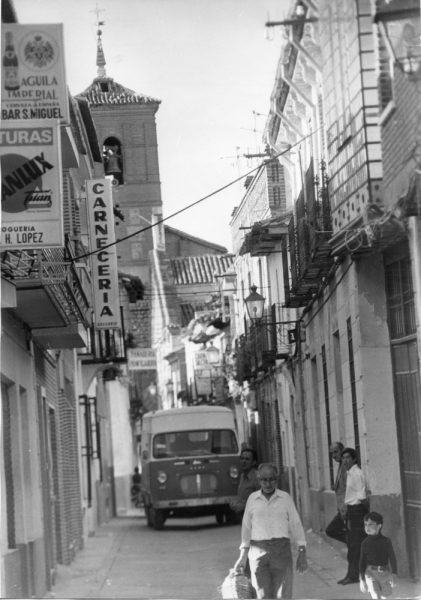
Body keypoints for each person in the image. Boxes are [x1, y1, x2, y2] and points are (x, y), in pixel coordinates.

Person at [233, 463, 307, 599]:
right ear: (259, 480)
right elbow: (246, 527)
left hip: (281, 551)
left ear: (276, 479)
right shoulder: (252, 499)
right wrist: (242, 557)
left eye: (271, 479)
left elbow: (296, 524)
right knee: (262, 595)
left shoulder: (285, 498)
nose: (268, 483)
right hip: (257, 553)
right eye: (264, 480)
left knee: (283, 595)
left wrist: (302, 551)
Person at [338, 447, 369, 585]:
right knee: (352, 545)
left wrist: (364, 513)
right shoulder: (350, 473)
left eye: (348, 458)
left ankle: (353, 575)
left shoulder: (356, 473)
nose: (345, 460)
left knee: (354, 547)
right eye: (343, 458)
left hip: (357, 511)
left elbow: (362, 497)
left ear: (354, 459)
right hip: (351, 510)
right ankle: (352, 574)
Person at [359, 512, 397, 599]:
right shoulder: (365, 543)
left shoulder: (386, 541)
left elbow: (392, 558)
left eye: (371, 524)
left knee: (385, 595)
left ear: (379, 526)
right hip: (370, 573)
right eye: (365, 524)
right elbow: (362, 562)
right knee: (376, 596)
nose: (367, 527)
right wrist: (362, 579)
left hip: (385, 574)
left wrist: (394, 574)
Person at [325, 441, 347, 544]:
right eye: (331, 453)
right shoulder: (340, 466)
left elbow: (349, 489)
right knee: (331, 530)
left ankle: (353, 541)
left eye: (336, 452)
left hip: (347, 510)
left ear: (342, 451)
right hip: (342, 510)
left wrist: (345, 510)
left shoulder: (345, 467)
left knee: (331, 530)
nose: (333, 456)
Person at [229, 447, 260, 518]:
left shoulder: (258, 478)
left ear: (254, 462)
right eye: (242, 458)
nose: (244, 461)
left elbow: (262, 501)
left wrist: (242, 507)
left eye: (247, 459)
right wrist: (235, 503)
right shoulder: (242, 477)